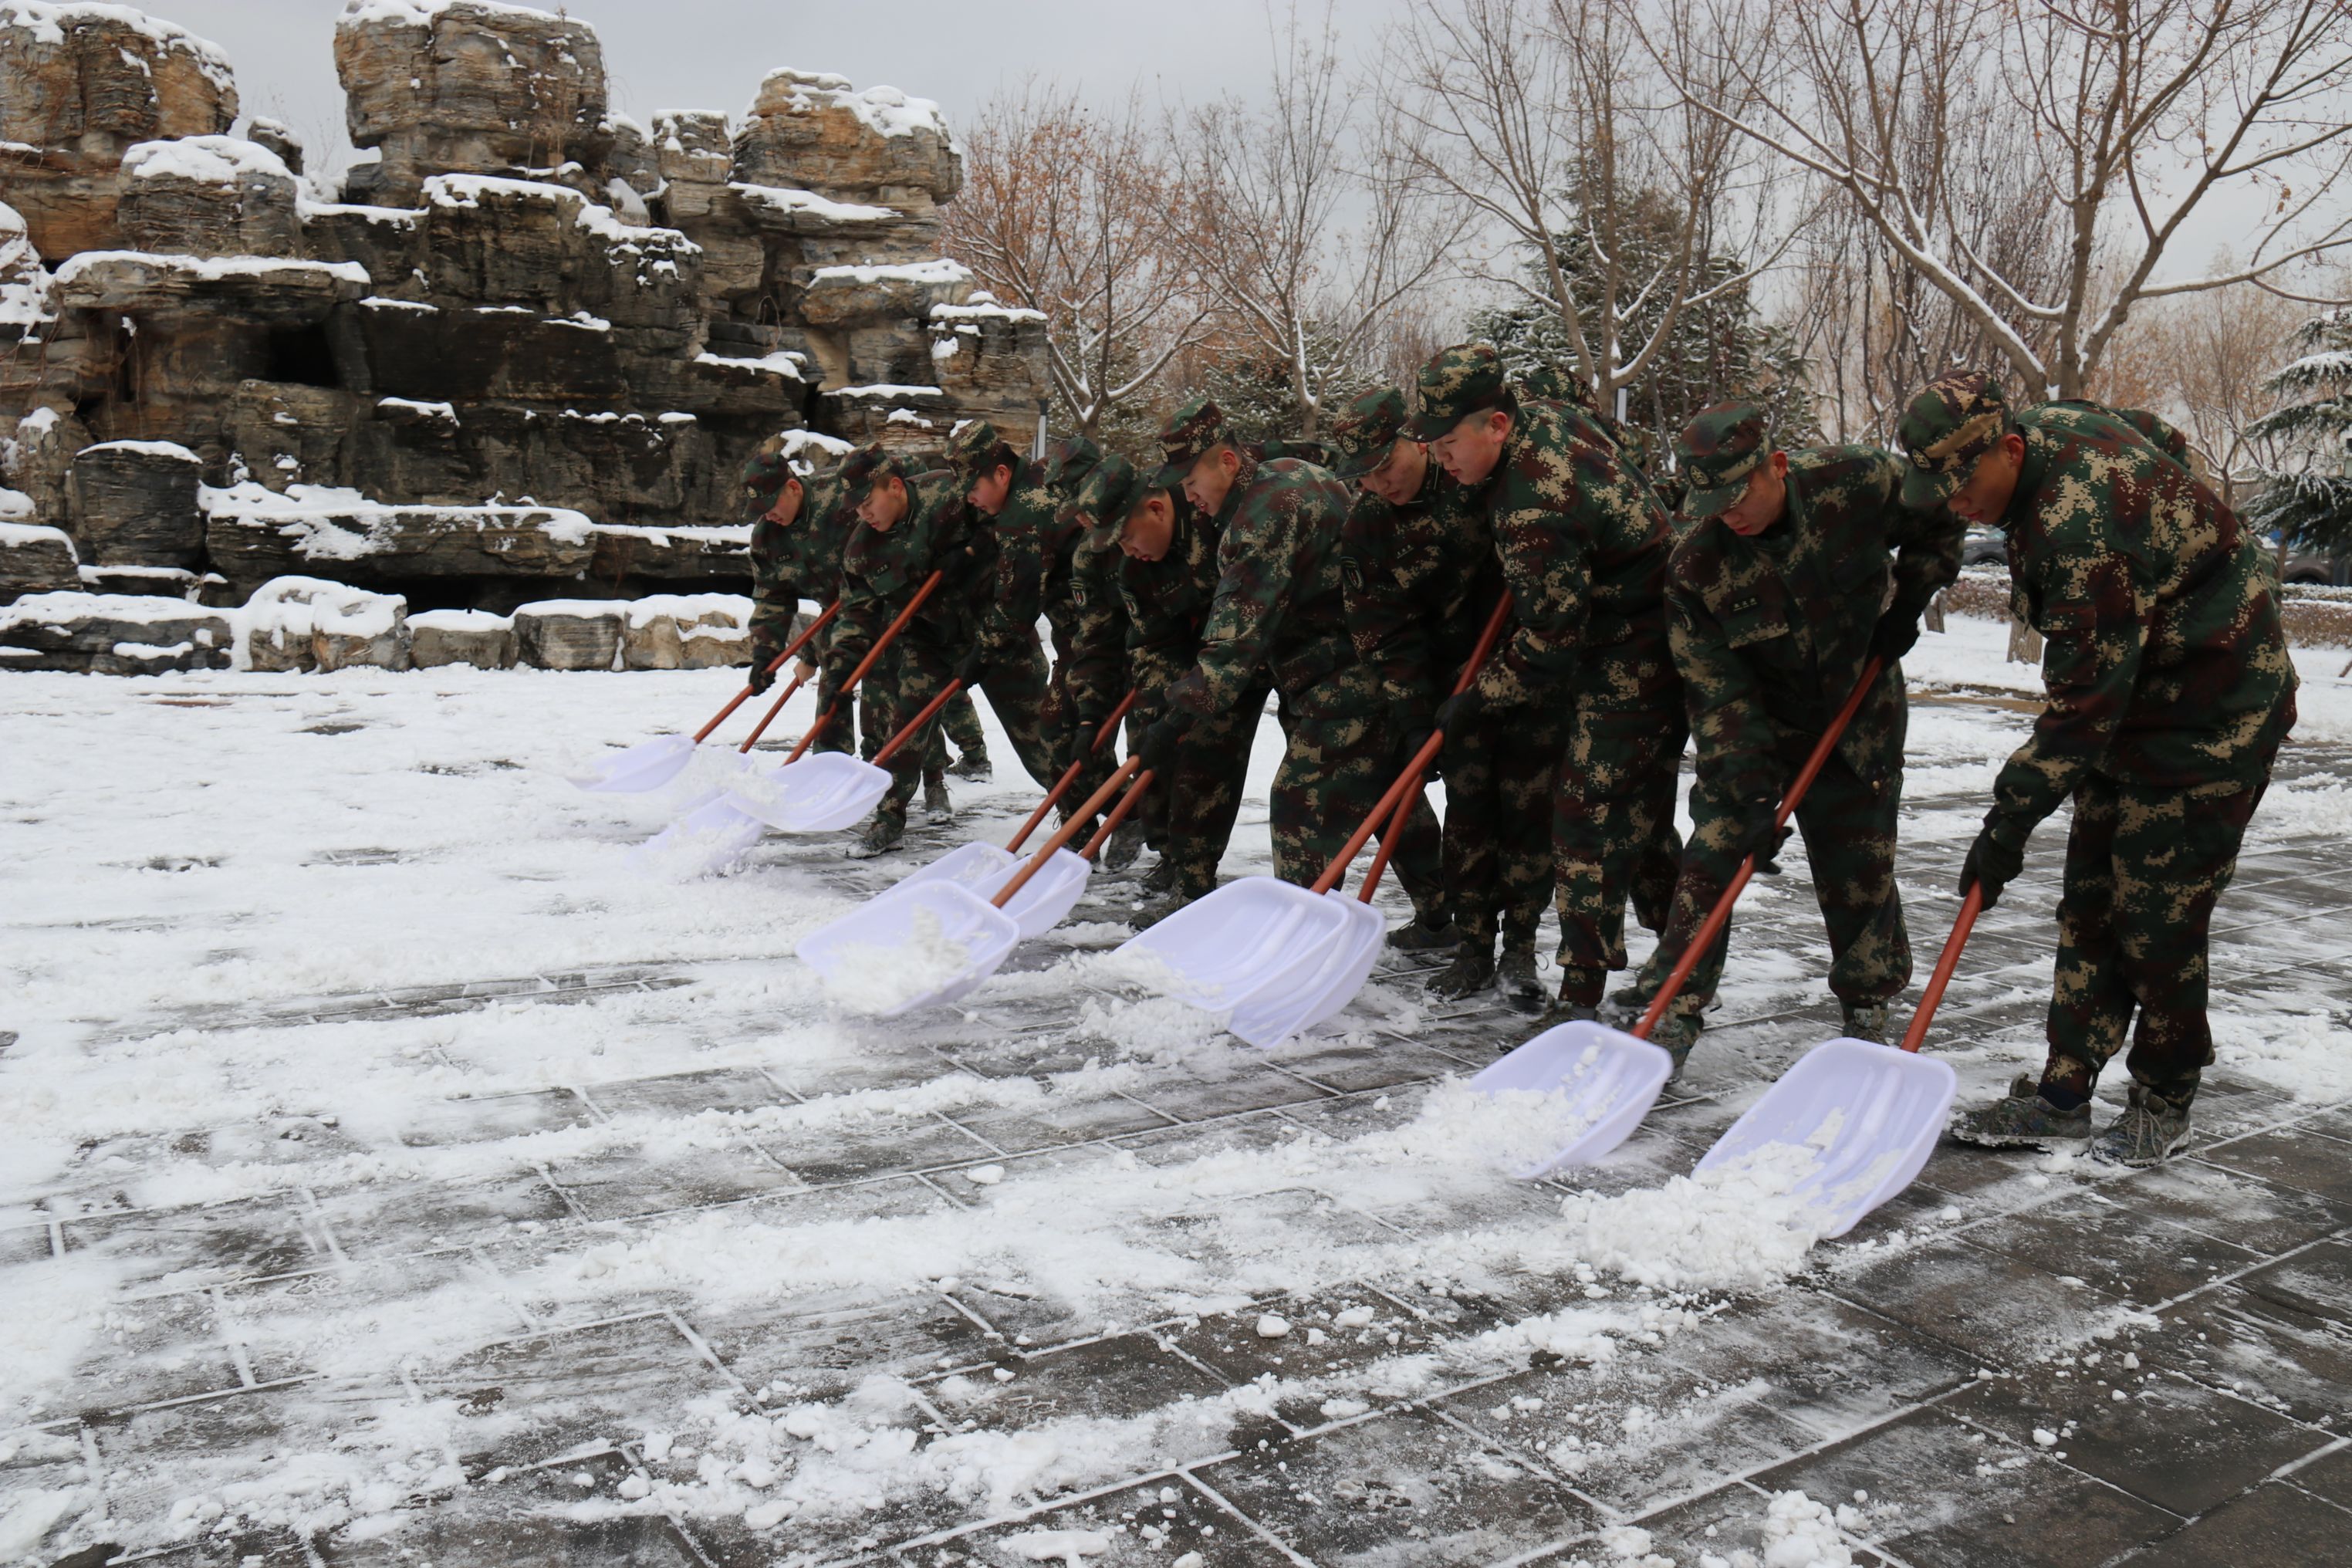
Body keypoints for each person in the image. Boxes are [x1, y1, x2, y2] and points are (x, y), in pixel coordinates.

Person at [1898, 372, 2298, 1166]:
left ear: (2008, 449)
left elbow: (2082, 705)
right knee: (2090, 901)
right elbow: (2162, 437)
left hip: (2214, 709)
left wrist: (2005, 825)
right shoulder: (2050, 431)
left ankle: (2162, 1096)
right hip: (2139, 692)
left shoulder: (2084, 531)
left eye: (1963, 484)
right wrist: (2181, 542)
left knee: (2158, 918)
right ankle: (2063, 1094)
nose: (1955, 504)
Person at [1627, 400, 1963, 1068]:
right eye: (1712, 501)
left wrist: (1912, 599)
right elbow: (1718, 693)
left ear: (1776, 466)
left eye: (1737, 494)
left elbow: (1941, 515)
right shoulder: (1697, 567)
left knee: (1857, 858)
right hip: (1763, 722)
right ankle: (1672, 1007)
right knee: (1714, 852)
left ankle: (1867, 1006)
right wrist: (1750, 791)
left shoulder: (1858, 481)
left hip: (1859, 705)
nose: (1728, 513)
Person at [1406, 344, 1685, 1026]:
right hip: (1640, 622)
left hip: (1636, 646)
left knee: (1585, 815)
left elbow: (1550, 644)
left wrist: (1475, 701)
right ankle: (1683, 961)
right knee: (1637, 823)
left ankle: (1582, 1000)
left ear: (1496, 425)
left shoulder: (1531, 507)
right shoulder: (1549, 413)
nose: (1442, 461)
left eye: (1449, 445)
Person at [1134, 394, 1449, 933]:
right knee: (1384, 787)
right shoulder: (1286, 471)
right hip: (1351, 666)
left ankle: (1302, 934)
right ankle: (1445, 915)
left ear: (1228, 463)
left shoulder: (1262, 516)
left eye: (1192, 485)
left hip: (1349, 671)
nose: (1189, 499)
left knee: (1303, 800)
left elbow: (1236, 634)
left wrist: (1177, 716)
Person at [1328, 386, 1551, 1012]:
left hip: (1519, 667)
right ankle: (1474, 946)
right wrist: (1411, 709)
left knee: (1526, 810)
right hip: (1442, 683)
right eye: (1362, 476)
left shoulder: (1475, 484)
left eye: (1384, 465)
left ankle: (1523, 947)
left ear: (1415, 439)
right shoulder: (1367, 524)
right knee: (1469, 812)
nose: (1377, 484)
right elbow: (1379, 625)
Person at [1063, 453, 1259, 921]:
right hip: (1200, 647)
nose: (1126, 551)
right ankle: (1174, 857)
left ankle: (1194, 879)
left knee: (1205, 743)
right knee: (1151, 733)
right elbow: (1149, 643)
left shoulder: (1212, 516)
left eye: (1126, 538)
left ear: (1155, 509)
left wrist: (1189, 708)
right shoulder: (1132, 568)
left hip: (1259, 642)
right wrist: (1095, 715)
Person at [819, 444, 996, 857]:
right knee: (902, 731)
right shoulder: (861, 550)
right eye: (856, 508)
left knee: (1042, 737)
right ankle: (889, 818)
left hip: (995, 630)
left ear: (895, 487)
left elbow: (1005, 523)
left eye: (868, 503)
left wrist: (971, 552)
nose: (863, 515)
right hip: (928, 640)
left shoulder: (948, 494)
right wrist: (840, 670)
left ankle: (1092, 818)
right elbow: (856, 615)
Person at [940, 420, 1086, 801]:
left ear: (1002, 473)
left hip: (1092, 633)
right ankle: (1100, 820)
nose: (971, 500)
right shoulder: (1036, 478)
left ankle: (1124, 816)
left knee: (1057, 734)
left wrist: (978, 658)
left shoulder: (1023, 518)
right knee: (1068, 734)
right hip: (1089, 627)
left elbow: (1014, 610)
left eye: (973, 488)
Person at [741, 434, 862, 757]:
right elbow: (772, 598)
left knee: (908, 686)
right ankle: (830, 764)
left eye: (770, 506)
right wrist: (765, 655)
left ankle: (933, 768)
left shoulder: (841, 494)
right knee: (832, 687)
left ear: (793, 488)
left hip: (882, 601)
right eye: (759, 510)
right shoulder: (767, 536)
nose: (767, 516)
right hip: (834, 611)